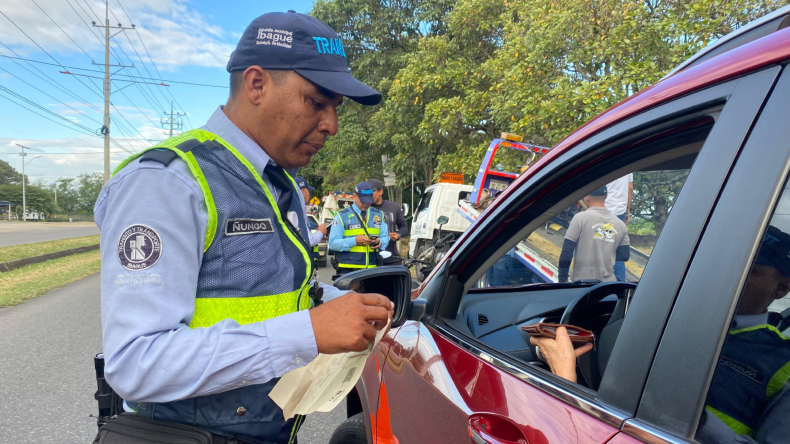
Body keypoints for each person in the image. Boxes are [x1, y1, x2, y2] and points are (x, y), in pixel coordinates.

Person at [94, 11, 393, 444]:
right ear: (256, 84)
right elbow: (136, 362)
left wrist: (339, 303)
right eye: (317, 102)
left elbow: (262, 294)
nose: (331, 125)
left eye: (335, 109)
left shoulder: (276, 181)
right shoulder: (167, 182)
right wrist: (308, 332)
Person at [533, 226, 790, 444]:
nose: (729, 274)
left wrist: (565, 376)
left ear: (781, 288)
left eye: (750, 268)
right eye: (727, 263)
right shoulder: (672, 317)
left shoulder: (783, 363)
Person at [558, 186, 630, 283]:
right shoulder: (620, 225)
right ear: (606, 196)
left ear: (586, 198)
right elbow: (625, 255)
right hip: (607, 286)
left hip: (583, 284)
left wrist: (563, 278)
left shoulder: (580, 218)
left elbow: (567, 251)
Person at [328, 181, 389, 274]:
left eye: (368, 201)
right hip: (348, 271)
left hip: (372, 270)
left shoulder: (378, 214)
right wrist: (355, 241)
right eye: (362, 201)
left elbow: (385, 237)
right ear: (354, 196)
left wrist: (380, 242)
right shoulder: (342, 216)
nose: (365, 204)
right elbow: (333, 244)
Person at [368, 178, 408, 266]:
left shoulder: (393, 207)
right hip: (370, 258)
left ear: (380, 192)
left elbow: (404, 227)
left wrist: (398, 235)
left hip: (391, 257)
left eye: (372, 191)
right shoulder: (364, 209)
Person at [605, 174, 633, 281]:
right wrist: (628, 210)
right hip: (620, 212)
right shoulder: (628, 166)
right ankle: (620, 283)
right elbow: (630, 188)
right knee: (617, 251)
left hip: (605, 209)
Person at [296, 176, 326, 267]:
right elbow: (309, 240)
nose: (309, 194)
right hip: (303, 263)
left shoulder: (291, 210)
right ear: (302, 191)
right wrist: (321, 232)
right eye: (308, 191)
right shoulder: (299, 212)